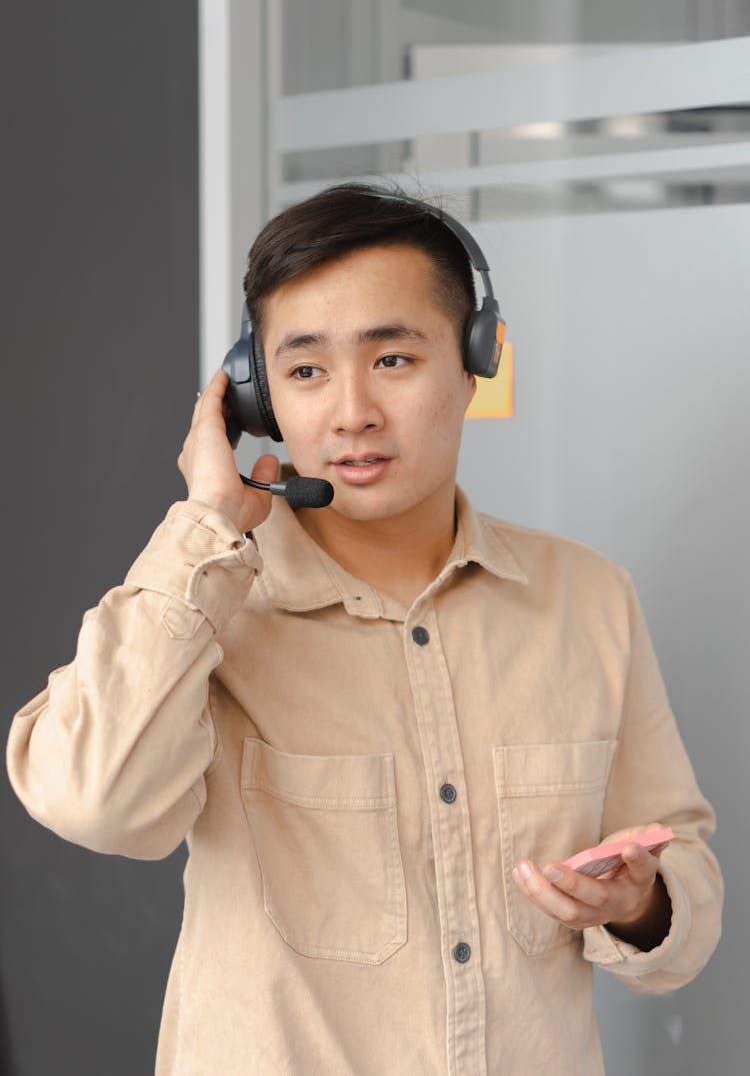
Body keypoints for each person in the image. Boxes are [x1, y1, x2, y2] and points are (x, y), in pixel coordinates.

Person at [6, 184, 722, 1075]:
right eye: (305, 371)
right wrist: (206, 523)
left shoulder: (588, 596)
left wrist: (639, 903)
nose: (351, 413)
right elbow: (92, 801)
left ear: (474, 362)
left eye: (392, 359)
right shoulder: (205, 608)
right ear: (255, 397)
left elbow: (683, 886)